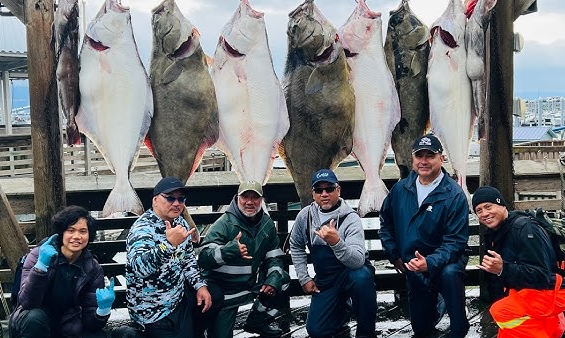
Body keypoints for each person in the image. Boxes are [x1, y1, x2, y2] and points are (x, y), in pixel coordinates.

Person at [379, 134, 470, 338]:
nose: (424, 161)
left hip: (447, 262)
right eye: (419, 156)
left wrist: (430, 262)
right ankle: (435, 304)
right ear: (413, 159)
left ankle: (458, 319)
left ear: (441, 159)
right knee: (421, 329)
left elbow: (456, 241)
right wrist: (395, 255)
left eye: (430, 156)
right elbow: (386, 223)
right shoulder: (400, 189)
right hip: (413, 265)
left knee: (449, 277)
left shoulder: (454, 194)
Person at [472, 186, 565, 338]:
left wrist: (503, 269)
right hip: (527, 291)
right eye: (479, 210)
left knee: (501, 311)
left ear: (502, 205)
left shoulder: (525, 228)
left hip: (553, 290)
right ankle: (554, 325)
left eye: (488, 207)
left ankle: (553, 321)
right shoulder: (497, 233)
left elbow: (541, 276)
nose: (484, 214)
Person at [289, 169, 378, 338]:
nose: (324, 194)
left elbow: (357, 261)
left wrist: (336, 242)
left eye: (329, 189)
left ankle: (366, 332)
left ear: (338, 190)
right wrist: (304, 278)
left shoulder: (351, 218)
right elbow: (295, 245)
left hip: (350, 273)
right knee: (316, 330)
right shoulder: (305, 216)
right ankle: (342, 309)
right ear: (313, 194)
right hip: (326, 280)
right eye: (319, 190)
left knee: (362, 278)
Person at [197, 181, 290, 338]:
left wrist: (272, 280)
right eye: (245, 197)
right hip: (225, 293)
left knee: (283, 280)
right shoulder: (224, 224)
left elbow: (274, 258)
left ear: (262, 200)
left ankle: (257, 321)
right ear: (237, 198)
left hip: (251, 285)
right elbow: (203, 257)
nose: (249, 202)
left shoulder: (267, 224)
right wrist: (228, 251)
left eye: (255, 197)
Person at [9, 205, 115, 338]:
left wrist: (103, 310)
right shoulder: (38, 255)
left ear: (89, 235)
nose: (76, 236)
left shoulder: (93, 268)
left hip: (68, 323)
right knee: (35, 317)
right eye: (70, 230)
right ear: (61, 233)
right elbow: (27, 302)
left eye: (83, 231)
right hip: (31, 320)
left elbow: (91, 324)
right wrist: (41, 266)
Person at [125, 176, 212, 337]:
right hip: (152, 311)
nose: (177, 203)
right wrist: (168, 245)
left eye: (181, 199)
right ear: (155, 201)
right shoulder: (142, 229)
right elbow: (140, 269)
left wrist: (200, 286)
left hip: (178, 299)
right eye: (170, 198)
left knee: (215, 295)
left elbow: (188, 260)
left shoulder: (181, 223)